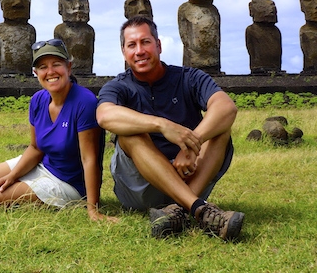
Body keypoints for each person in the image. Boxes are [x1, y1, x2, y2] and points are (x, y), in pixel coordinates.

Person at [96, 16, 244, 241]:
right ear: (124, 52)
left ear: (159, 45)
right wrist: (161, 125)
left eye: (145, 42)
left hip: (189, 175)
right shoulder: (118, 86)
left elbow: (226, 107)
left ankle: (181, 209)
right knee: (129, 135)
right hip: (141, 187)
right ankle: (197, 208)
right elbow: (105, 115)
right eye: (131, 45)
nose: (139, 51)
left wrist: (193, 144)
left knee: (220, 128)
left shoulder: (189, 77)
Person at [0, 39, 116, 222]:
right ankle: (15, 191)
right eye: (43, 67)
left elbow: (89, 159)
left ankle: (8, 197)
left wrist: (93, 209)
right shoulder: (38, 100)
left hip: (69, 183)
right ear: (36, 73)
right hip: (44, 166)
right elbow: (35, 148)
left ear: (69, 67)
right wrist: (11, 177)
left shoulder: (84, 102)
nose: (50, 72)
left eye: (56, 64)